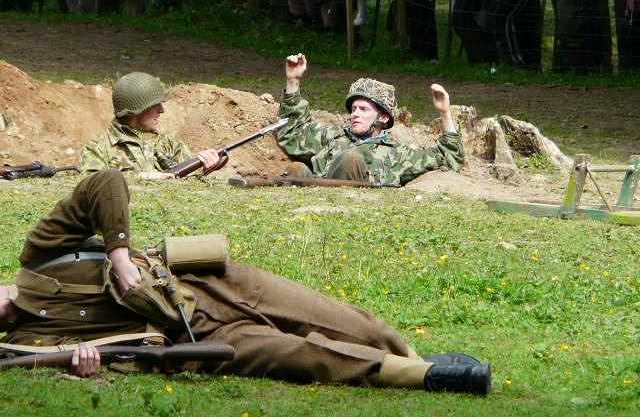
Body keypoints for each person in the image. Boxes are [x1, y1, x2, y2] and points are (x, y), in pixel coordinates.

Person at [0, 169, 492, 393]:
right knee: (306, 358)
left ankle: (410, 353)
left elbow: (103, 183)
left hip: (209, 280)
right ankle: (427, 376)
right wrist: (86, 370)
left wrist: (120, 256)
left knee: (339, 319)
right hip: (194, 338)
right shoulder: (24, 346)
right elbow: (115, 356)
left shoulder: (39, 254)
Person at [276, 54, 465, 186]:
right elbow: (293, 133)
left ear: (383, 117)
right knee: (296, 169)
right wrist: (293, 80)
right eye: (354, 109)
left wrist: (445, 113)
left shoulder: (399, 153)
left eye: (364, 109)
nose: (355, 114)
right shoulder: (332, 136)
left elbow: (449, 157)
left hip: (355, 209)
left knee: (351, 159)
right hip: (312, 202)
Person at [78, 72, 221, 179]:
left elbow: (192, 184)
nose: (162, 110)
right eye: (155, 105)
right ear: (137, 109)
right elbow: (89, 184)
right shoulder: (100, 146)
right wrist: (141, 177)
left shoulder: (170, 145)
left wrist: (206, 169)